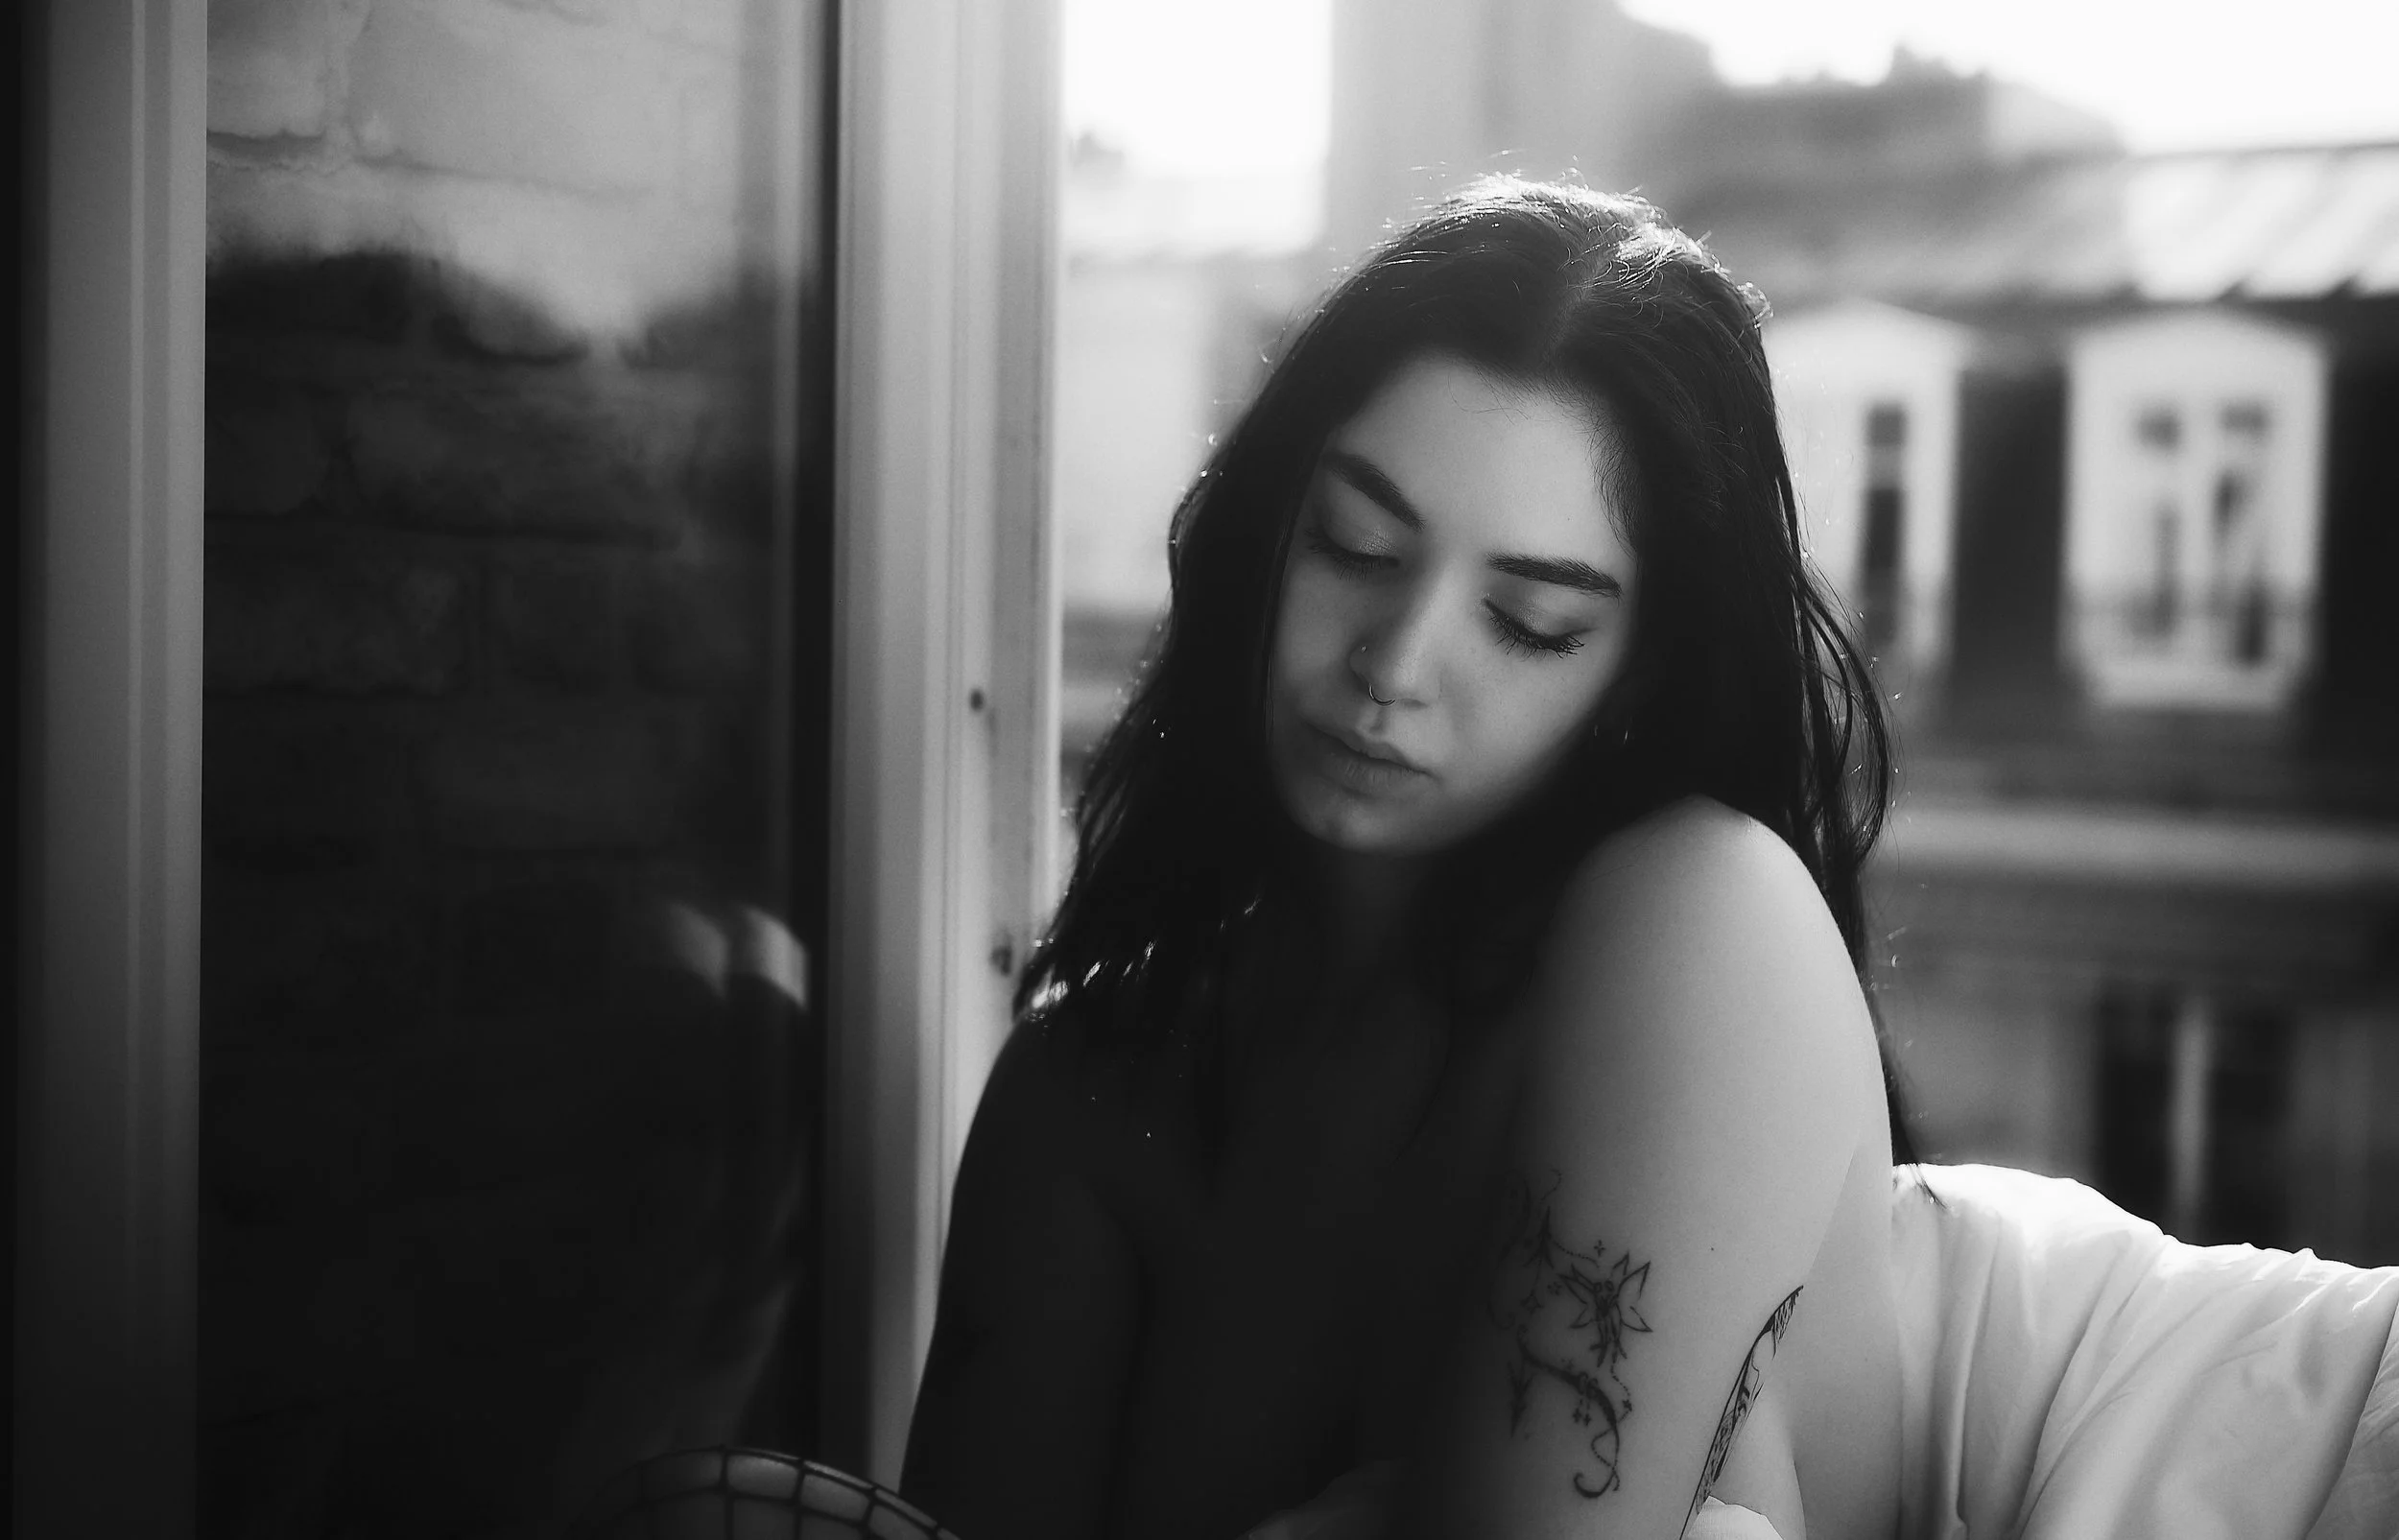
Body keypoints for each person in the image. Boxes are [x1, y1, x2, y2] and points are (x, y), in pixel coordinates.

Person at [899, 177, 1912, 1540]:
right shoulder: (1089, 1082)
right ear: (1267, 530)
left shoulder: (1705, 920)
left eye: (1529, 620)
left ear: (1638, 673)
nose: (1395, 664)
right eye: (1356, 546)